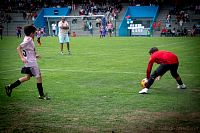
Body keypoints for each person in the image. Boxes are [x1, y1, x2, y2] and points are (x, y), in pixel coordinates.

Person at [5, 25, 50, 100]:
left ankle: (10, 86)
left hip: (29, 61)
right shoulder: (28, 39)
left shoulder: (27, 38)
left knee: (27, 77)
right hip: (31, 62)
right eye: (34, 32)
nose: (36, 33)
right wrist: (22, 57)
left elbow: (28, 49)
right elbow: (18, 48)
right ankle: (41, 95)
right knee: (38, 76)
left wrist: (35, 55)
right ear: (31, 33)